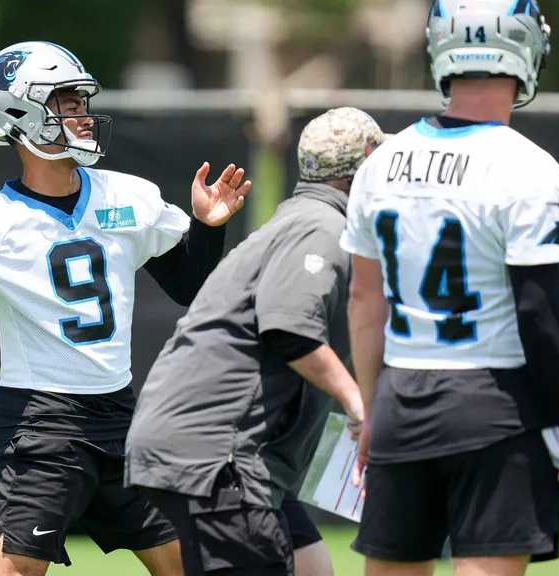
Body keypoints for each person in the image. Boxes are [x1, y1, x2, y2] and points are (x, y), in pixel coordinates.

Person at [0, 41, 251, 576]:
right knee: (15, 571)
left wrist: (207, 227)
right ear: (19, 114)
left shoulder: (129, 196)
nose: (82, 115)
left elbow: (188, 285)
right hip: (44, 422)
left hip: (119, 417)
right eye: (67, 103)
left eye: (82, 102)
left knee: (189, 562)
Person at [341, 2, 559, 576]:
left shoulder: (381, 163)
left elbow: (364, 300)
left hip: (402, 396)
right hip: (494, 405)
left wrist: (374, 410)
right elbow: (541, 314)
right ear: (526, 49)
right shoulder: (529, 167)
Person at [125, 107, 384, 576]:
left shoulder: (300, 220)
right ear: (366, 163)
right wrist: (360, 405)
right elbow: (289, 328)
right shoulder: (321, 227)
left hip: (226, 452)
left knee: (312, 568)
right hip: (218, 455)